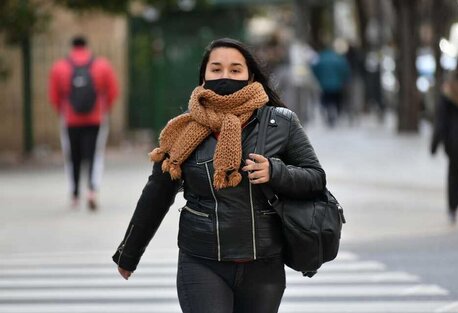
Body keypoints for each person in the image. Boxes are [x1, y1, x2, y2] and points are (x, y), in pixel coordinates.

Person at [112, 38, 326, 313]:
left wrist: (276, 172)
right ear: (204, 76)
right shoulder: (183, 130)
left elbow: (315, 178)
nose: (225, 76)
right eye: (216, 69)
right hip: (201, 261)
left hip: (264, 264)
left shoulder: (280, 122)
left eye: (235, 70)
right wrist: (129, 252)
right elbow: (158, 192)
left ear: (250, 76)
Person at [48, 35, 119, 210]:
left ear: (72, 47)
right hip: (96, 118)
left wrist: (62, 112)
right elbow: (113, 91)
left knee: (72, 156)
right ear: (87, 46)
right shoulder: (102, 65)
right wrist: (104, 109)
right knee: (95, 155)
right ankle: (92, 191)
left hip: (70, 119)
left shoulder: (59, 68)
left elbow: (54, 96)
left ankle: (74, 194)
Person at [431, 56, 458, 225]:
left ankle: (453, 209)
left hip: (454, 140)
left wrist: (435, 143)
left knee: (454, 175)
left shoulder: (449, 89)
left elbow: (441, 120)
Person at [311, 41, 351, 127]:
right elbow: (345, 69)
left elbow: (314, 68)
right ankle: (335, 114)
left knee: (326, 100)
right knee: (336, 100)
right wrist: (342, 79)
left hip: (324, 84)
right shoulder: (338, 57)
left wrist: (319, 78)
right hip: (337, 84)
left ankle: (328, 114)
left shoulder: (320, 57)